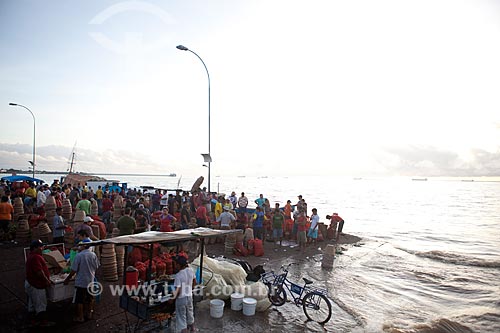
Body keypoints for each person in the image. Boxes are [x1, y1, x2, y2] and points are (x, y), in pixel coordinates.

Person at [64, 241, 100, 322]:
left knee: (79, 300)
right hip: (90, 280)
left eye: (80, 246)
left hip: (81, 282)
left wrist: (67, 279)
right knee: (90, 298)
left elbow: (73, 270)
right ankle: (89, 314)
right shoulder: (93, 254)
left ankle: (80, 317)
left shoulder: (79, 256)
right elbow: (97, 266)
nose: (78, 248)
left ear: (83, 246)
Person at [25, 240, 54, 327]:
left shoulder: (31, 256)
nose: (42, 248)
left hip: (30, 283)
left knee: (32, 304)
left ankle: (33, 321)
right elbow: (39, 272)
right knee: (41, 304)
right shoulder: (36, 257)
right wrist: (47, 280)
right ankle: (43, 322)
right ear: (35, 248)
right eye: (40, 247)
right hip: (36, 285)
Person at [171, 256, 196, 333]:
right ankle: (192, 330)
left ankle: (184, 331)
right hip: (189, 297)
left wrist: (172, 299)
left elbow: (178, 291)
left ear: (179, 265)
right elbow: (195, 281)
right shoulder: (191, 270)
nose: (175, 266)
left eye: (176, 264)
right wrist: (190, 289)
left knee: (181, 319)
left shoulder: (178, 275)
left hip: (181, 299)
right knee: (190, 314)